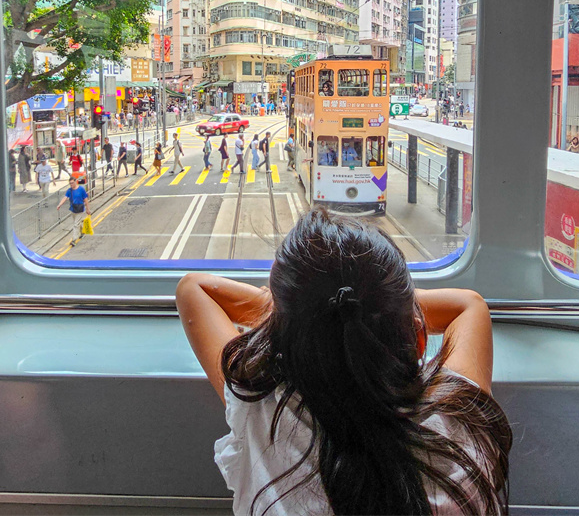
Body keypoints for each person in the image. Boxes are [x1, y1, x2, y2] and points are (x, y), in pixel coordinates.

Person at [175, 210, 511, 516]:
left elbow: (194, 288)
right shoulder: (460, 417)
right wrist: (375, 306)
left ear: (280, 342)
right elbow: (468, 305)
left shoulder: (262, 412)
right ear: (419, 338)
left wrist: (311, 311)